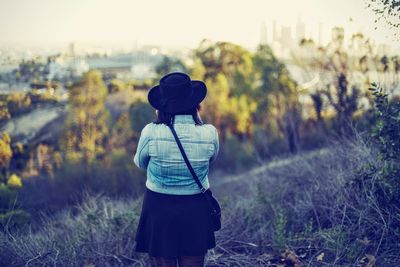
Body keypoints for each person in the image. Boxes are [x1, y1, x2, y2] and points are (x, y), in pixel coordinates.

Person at [133, 72, 219, 267]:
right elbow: (211, 160)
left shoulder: (150, 132)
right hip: (196, 206)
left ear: (162, 108)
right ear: (197, 105)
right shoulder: (210, 133)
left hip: (158, 206)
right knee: (193, 261)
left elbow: (140, 163)